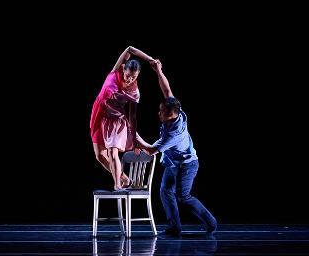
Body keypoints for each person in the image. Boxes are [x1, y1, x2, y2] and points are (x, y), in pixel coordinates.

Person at [136, 60, 218, 237]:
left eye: (161, 112)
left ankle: (211, 223)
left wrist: (132, 133)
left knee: (183, 197)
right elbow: (166, 90)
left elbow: (150, 150)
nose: (158, 113)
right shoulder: (174, 108)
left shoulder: (174, 134)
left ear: (171, 115)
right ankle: (175, 227)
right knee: (165, 191)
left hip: (187, 165)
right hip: (173, 162)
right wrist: (158, 71)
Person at [90, 46, 155, 190]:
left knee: (113, 153)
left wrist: (134, 137)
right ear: (123, 69)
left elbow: (132, 115)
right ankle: (124, 178)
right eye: (128, 76)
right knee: (100, 156)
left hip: (114, 119)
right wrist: (150, 60)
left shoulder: (134, 92)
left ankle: (118, 184)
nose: (130, 79)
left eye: (134, 77)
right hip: (100, 114)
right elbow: (130, 49)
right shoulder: (115, 72)